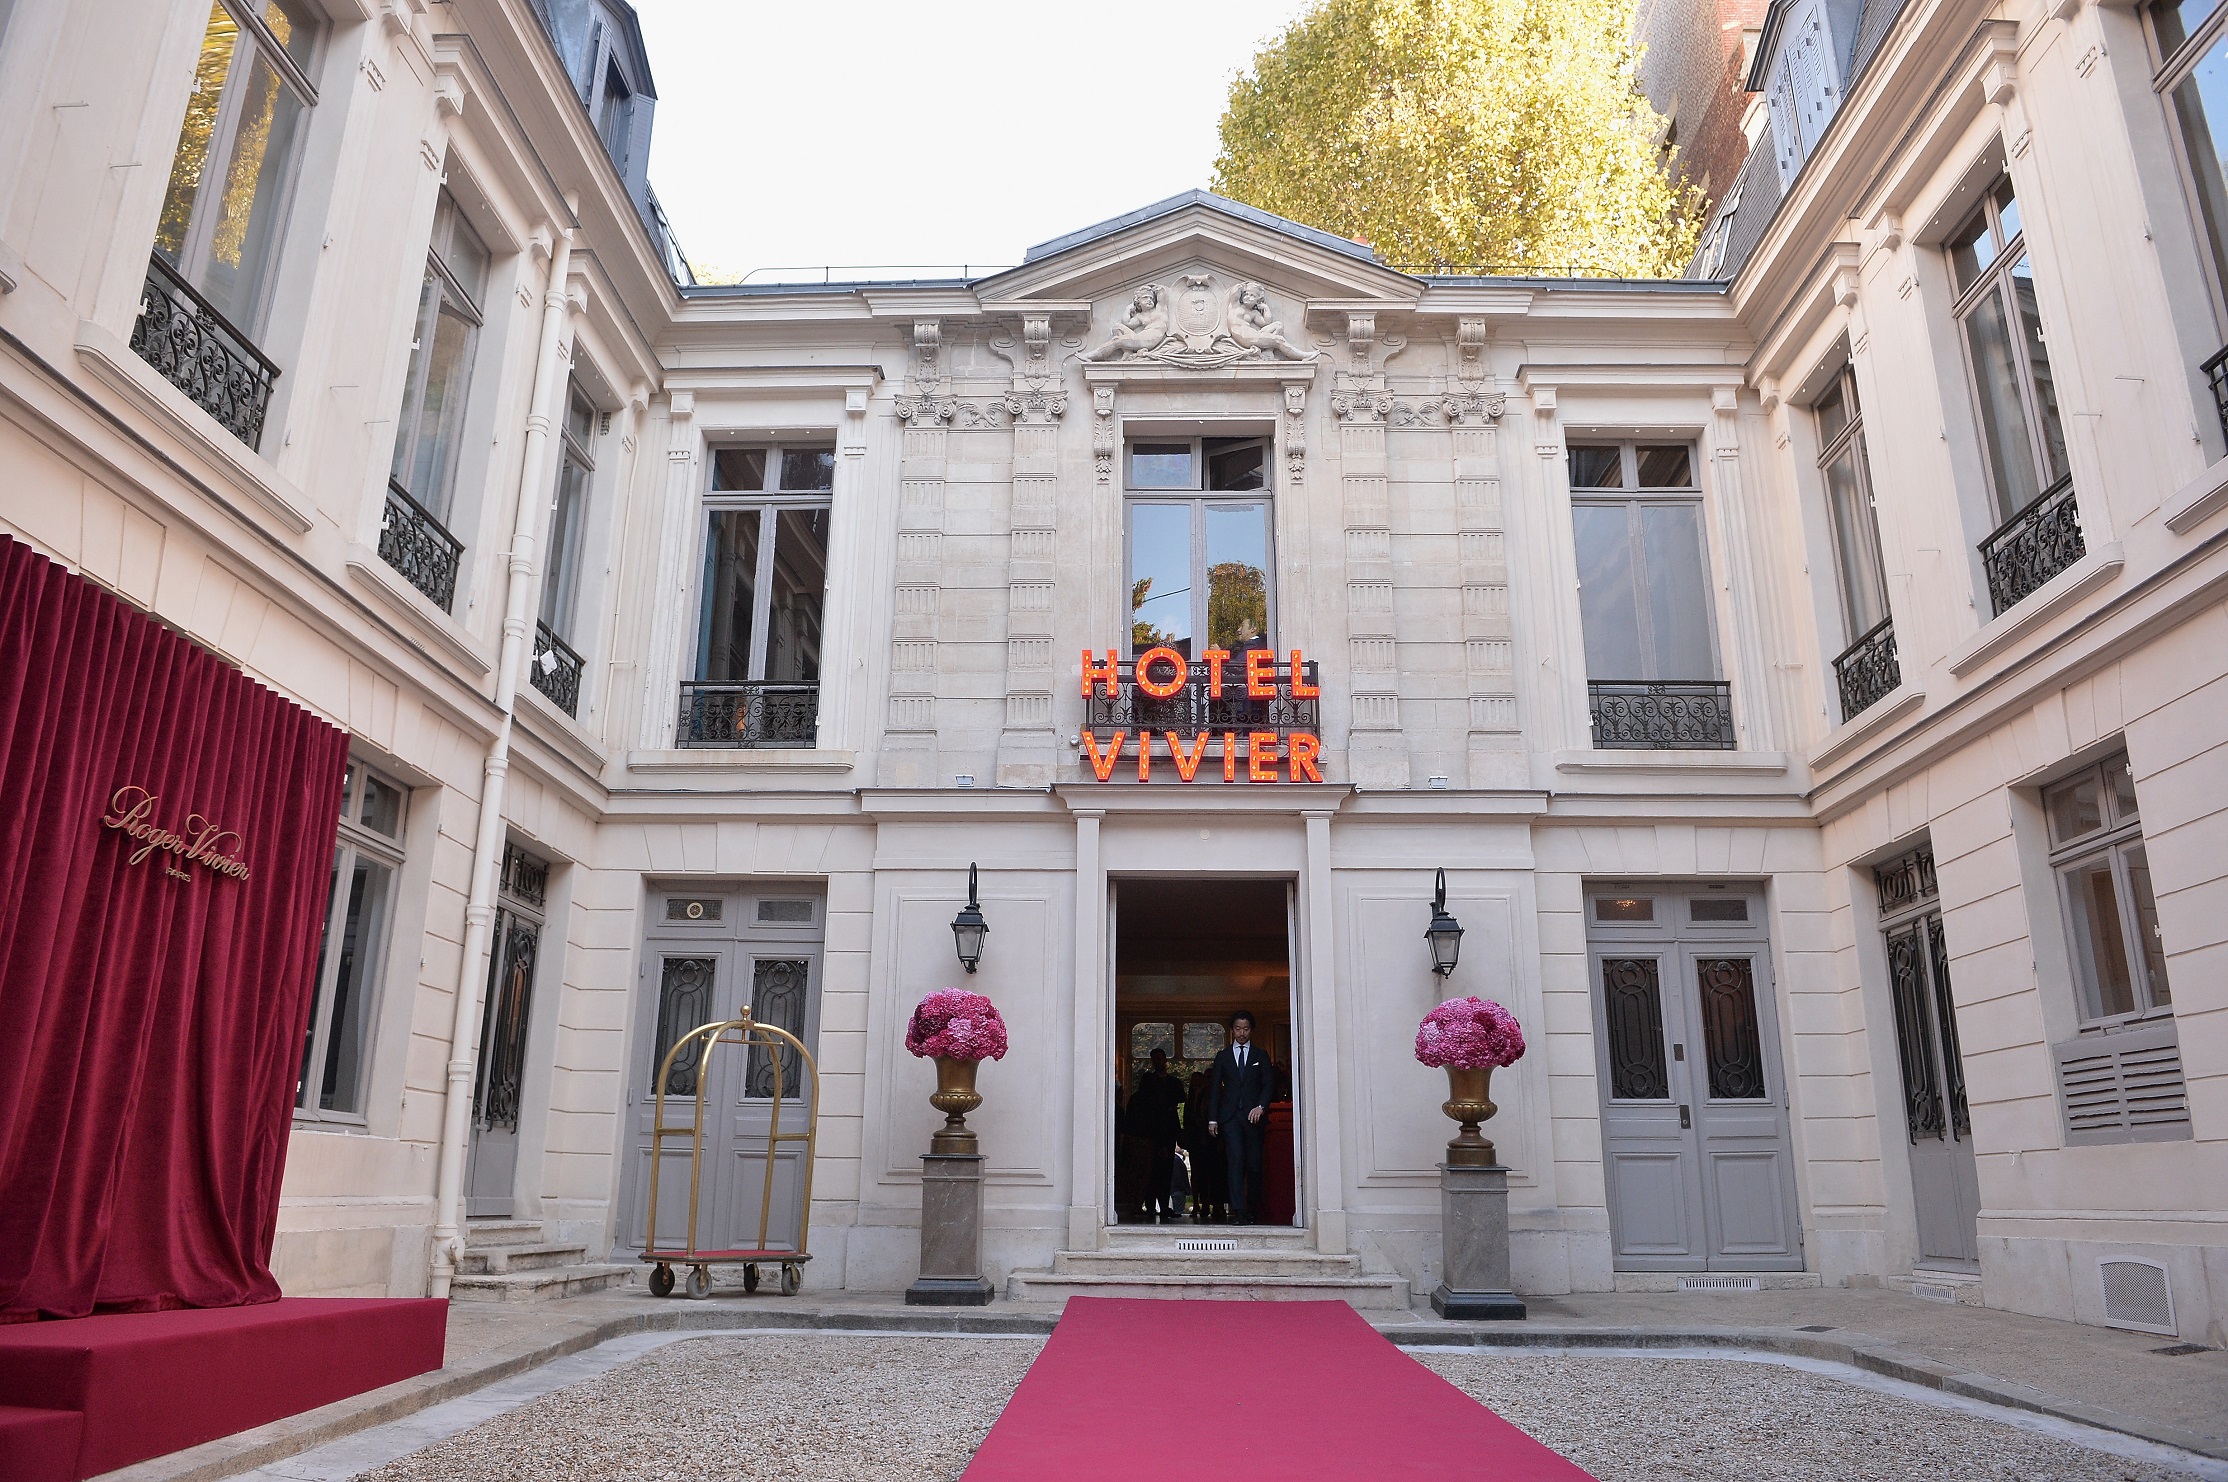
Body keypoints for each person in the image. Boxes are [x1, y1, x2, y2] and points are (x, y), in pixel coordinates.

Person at [1207, 1011, 1274, 1224]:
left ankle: (1253, 1207)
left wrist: (1261, 1106)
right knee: (1235, 1161)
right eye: (1238, 1028)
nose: (1242, 1033)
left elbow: (1269, 1084)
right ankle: (1239, 1211)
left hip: (1254, 1118)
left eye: (1245, 1029)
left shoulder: (1260, 1055)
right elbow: (1215, 1089)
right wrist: (1212, 1119)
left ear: (1251, 1029)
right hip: (1230, 1118)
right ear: (1232, 1029)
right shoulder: (1223, 1056)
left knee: (1254, 1164)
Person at [1130, 1048, 1184, 1220]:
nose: (1157, 1062)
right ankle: (1151, 1205)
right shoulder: (1148, 1081)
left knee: (1166, 1171)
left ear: (1165, 1060)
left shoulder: (1173, 1082)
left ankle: (1163, 1205)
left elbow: (1181, 1098)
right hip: (1150, 1132)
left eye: (1160, 1059)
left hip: (1168, 1132)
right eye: (1154, 1059)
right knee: (1150, 1171)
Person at [1183, 1069, 1223, 1222]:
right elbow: (1190, 1118)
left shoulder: (1219, 1096)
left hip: (1213, 1141)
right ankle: (1203, 1204)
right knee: (1200, 1174)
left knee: (1215, 1174)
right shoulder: (1196, 1097)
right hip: (1198, 1141)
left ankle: (1216, 1204)